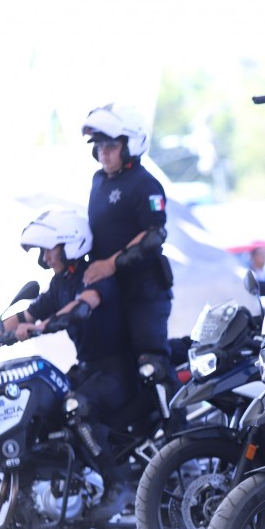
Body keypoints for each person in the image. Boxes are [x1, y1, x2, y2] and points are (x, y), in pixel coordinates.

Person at [0, 210, 136, 523]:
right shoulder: (61, 282)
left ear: (70, 245)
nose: (45, 257)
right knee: (42, 409)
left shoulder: (94, 276)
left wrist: (43, 326)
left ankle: (118, 484)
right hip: (88, 368)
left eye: (49, 249)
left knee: (76, 408)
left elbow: (81, 308)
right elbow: (26, 316)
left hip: (116, 370)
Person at [81, 103, 174, 392]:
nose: (103, 152)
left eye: (110, 145)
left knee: (150, 363)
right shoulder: (98, 180)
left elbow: (153, 235)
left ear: (130, 143)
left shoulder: (145, 185)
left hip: (144, 291)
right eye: (98, 145)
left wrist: (110, 263)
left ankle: (177, 428)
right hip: (111, 293)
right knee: (115, 365)